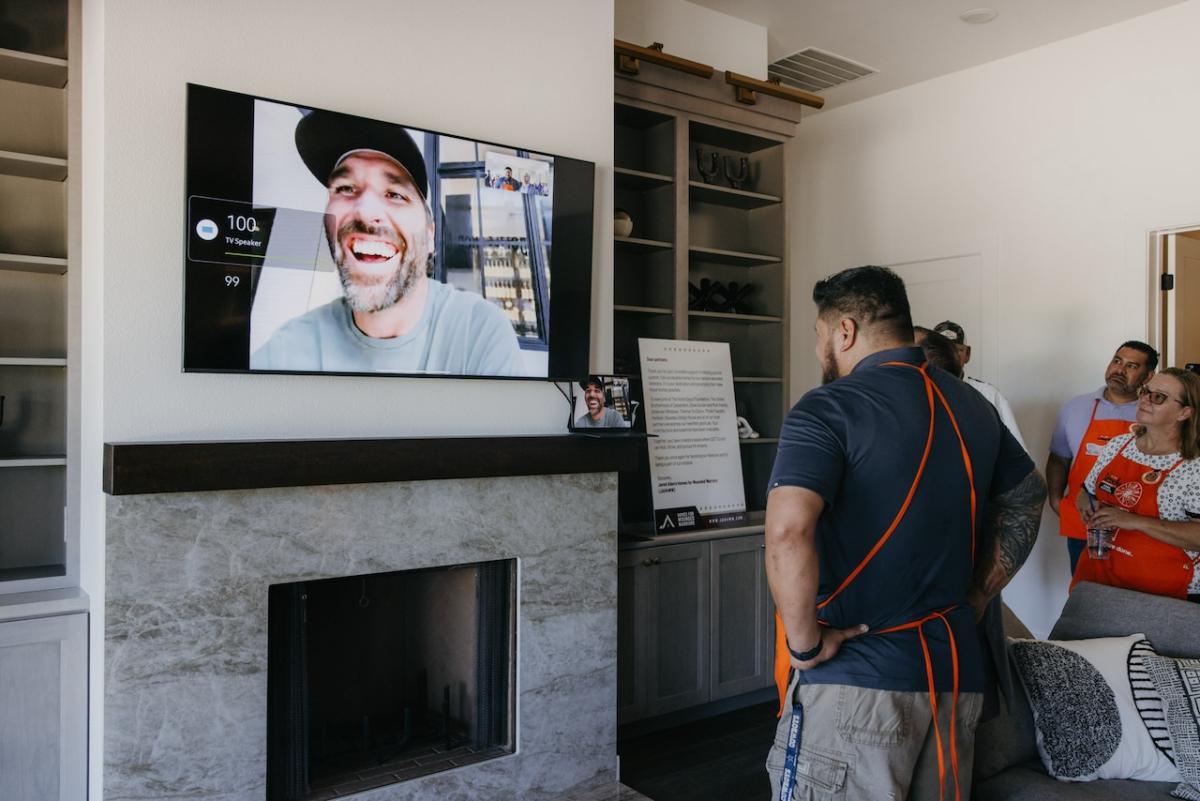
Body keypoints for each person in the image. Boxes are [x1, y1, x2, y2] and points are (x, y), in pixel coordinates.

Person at [765, 266, 1044, 801]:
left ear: (844, 330)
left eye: (821, 336)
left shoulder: (829, 407)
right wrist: (981, 593)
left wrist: (803, 645)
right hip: (955, 675)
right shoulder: (974, 407)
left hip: (859, 681)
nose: (821, 349)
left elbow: (786, 531)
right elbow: (1029, 495)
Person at [251, 111, 524, 376]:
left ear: (430, 236)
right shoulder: (288, 348)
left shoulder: (479, 332)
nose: (366, 212)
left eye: (394, 194)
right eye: (346, 188)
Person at [1073, 367, 1200, 601]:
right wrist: (1087, 506)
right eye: (1145, 391)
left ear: (1184, 412)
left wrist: (1134, 521)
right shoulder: (1118, 445)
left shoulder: (1194, 466)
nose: (1144, 400)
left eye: (1158, 397)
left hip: (1163, 592)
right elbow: (1086, 491)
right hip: (1101, 576)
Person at [1047, 341, 1158, 573]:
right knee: (1084, 596)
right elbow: (1059, 458)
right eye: (1117, 361)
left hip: (1136, 529)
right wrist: (1056, 499)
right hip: (1084, 525)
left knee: (1132, 599)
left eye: (1131, 366)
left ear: (1148, 377)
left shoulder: (1153, 413)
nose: (1119, 369)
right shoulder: (1076, 408)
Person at [933, 320, 1027, 451]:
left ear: (967, 354)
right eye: (942, 349)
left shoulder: (989, 395)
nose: (949, 355)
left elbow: (1017, 452)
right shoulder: (919, 393)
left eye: (956, 349)